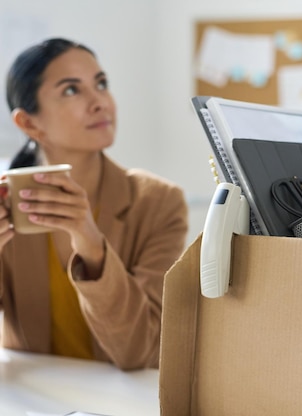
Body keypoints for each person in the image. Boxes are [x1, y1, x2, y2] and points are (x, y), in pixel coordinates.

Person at [0, 38, 188, 370]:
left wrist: (91, 246)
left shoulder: (159, 201)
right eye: (72, 90)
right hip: (31, 402)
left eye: (101, 84)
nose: (100, 101)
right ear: (29, 123)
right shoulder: (6, 203)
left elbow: (141, 350)